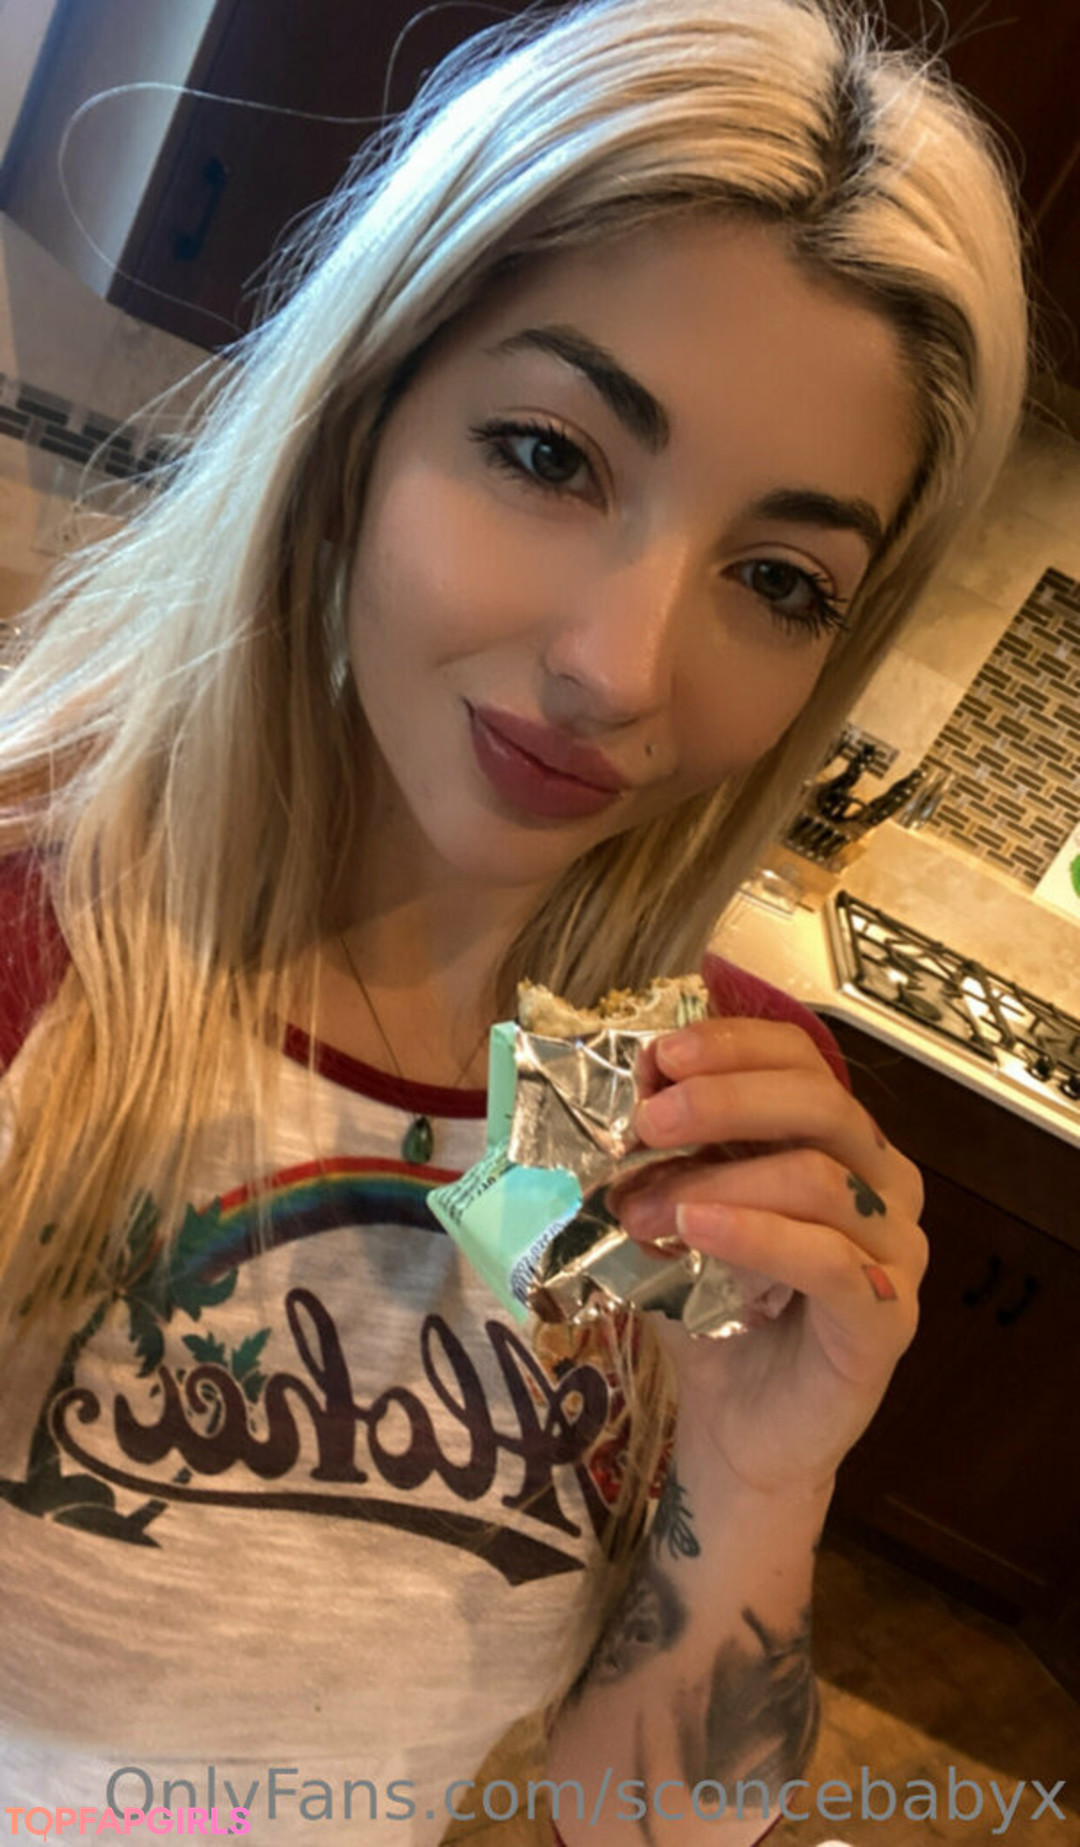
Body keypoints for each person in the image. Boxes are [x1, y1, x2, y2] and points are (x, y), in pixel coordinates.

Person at [0, 0, 1028, 1840]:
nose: (619, 671)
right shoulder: (31, 956)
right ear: (361, 414)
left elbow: (643, 1823)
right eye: (550, 456)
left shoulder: (703, 1115)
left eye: (779, 578)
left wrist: (762, 1481)